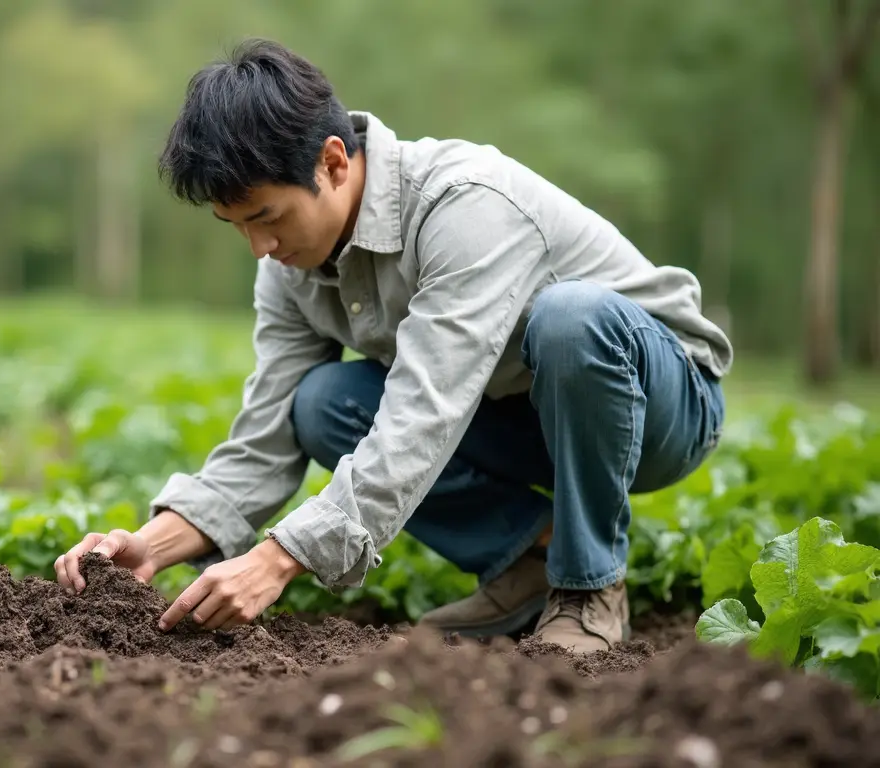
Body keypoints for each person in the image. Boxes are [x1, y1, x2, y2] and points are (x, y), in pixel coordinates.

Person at [53, 38, 731, 653]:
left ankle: (589, 587)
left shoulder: (465, 206)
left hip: (655, 406)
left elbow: (424, 414)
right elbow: (267, 434)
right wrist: (153, 545)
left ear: (333, 162)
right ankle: (531, 562)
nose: (258, 247)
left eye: (267, 217)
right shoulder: (288, 268)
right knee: (320, 404)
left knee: (570, 319)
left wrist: (280, 558)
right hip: (519, 413)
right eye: (236, 226)